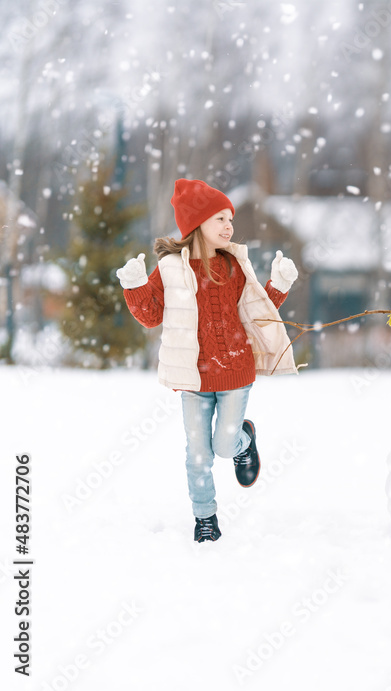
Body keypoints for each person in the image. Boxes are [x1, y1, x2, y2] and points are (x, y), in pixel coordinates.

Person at [116, 179, 299, 542]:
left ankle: (243, 441)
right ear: (196, 224)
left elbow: (255, 312)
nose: (228, 226)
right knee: (198, 455)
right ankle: (205, 519)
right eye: (219, 218)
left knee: (222, 447)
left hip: (236, 372)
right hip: (193, 380)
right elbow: (151, 315)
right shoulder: (169, 267)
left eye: (230, 218)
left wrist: (278, 284)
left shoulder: (234, 264)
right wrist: (135, 287)